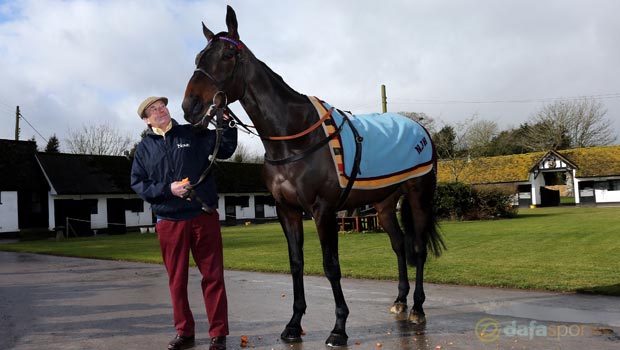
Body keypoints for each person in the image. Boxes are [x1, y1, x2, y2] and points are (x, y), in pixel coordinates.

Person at [130, 96, 237, 350]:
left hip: (202, 215)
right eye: (153, 109)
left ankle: (218, 335)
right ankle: (185, 333)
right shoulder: (143, 149)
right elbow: (138, 184)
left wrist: (228, 125)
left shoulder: (192, 133)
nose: (160, 110)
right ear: (146, 119)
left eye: (162, 106)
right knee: (177, 281)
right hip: (169, 221)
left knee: (213, 277)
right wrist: (169, 189)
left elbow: (224, 149)